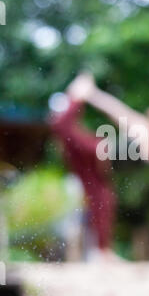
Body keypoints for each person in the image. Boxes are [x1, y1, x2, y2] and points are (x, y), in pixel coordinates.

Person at [49, 75, 117, 262]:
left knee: (103, 201)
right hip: (94, 173)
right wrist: (77, 96)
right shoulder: (75, 143)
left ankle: (102, 252)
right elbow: (60, 124)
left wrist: (81, 95)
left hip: (108, 164)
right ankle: (100, 253)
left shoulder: (82, 142)